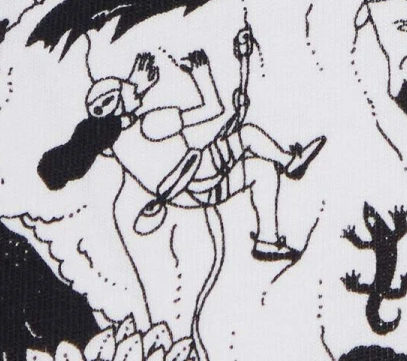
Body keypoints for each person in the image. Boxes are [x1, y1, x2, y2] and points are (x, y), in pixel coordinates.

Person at [84, 33, 325, 262]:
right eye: (129, 87)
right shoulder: (149, 124)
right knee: (248, 135)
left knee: (262, 172)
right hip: (198, 174)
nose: (137, 88)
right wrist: (201, 71)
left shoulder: (116, 146)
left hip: (189, 194)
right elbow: (212, 109)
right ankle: (290, 162)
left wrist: (234, 117)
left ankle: (267, 241)